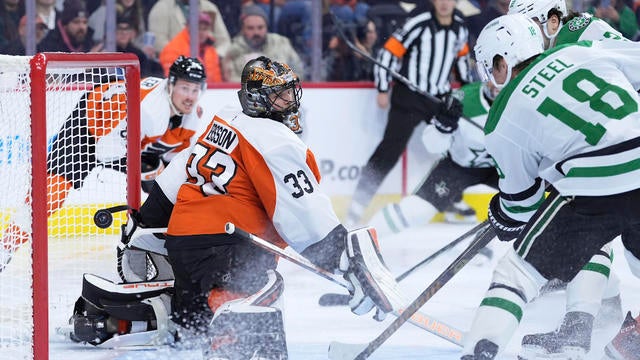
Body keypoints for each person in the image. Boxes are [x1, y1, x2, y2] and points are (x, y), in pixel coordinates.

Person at [67, 56, 404, 358]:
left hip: (183, 244)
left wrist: (147, 219)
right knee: (265, 285)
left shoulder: (224, 119)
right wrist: (343, 261)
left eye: (290, 92)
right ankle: (230, 341)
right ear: (259, 99)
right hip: (225, 241)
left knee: (191, 323)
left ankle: (114, 320)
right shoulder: (275, 139)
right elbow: (303, 211)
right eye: (280, 95)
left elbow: (178, 171)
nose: (289, 101)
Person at [461, 13, 640, 359]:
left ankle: (479, 351)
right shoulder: (583, 50)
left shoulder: (501, 118)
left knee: (516, 274)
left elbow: (521, 204)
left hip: (595, 184)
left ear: (500, 63)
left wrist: (502, 215)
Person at [507, 1, 633, 358]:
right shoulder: (548, 54)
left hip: (624, 149)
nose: (524, 35)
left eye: (529, 22)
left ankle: (579, 329)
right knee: (592, 225)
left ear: (552, 18)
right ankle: (607, 314)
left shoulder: (579, 34)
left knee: (589, 220)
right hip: (616, 150)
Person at [0, 56, 207, 272]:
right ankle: (5, 247)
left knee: (173, 187)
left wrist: (156, 171)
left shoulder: (190, 116)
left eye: (195, 90)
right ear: (171, 84)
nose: (190, 97)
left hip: (130, 139)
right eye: (185, 88)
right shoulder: (150, 111)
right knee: (51, 193)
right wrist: (148, 169)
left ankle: (172, 245)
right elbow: (106, 151)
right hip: (90, 127)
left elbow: (175, 164)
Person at [344, 0, 470, 227]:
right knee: (388, 152)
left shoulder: (460, 28)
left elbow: (461, 63)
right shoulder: (418, 23)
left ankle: (452, 199)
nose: (444, 3)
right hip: (409, 97)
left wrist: (468, 92)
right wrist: (382, 88)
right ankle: (357, 205)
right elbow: (388, 53)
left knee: (453, 148)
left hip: (437, 100)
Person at [367, 81, 499, 238]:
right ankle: (361, 239)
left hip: (506, 168)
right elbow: (433, 146)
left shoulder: (525, 101)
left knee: (532, 203)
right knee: (418, 210)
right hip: (459, 166)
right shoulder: (462, 99)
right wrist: (442, 128)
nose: (497, 83)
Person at [222, 5, 304, 82]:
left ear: (266, 27)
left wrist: (279, 84)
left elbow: (299, 72)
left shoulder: (281, 43)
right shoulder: (233, 49)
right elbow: (230, 81)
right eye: (250, 28)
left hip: (281, 92)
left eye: (260, 27)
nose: (256, 32)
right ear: (242, 30)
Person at [147, 0, 231, 57]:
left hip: (209, 67)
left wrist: (211, 57)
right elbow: (158, 43)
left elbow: (224, 41)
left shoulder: (210, 7)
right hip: (175, 66)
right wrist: (186, 59)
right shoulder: (161, 8)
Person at [159, 12, 223, 84]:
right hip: (184, 92)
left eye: (205, 29)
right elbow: (172, 81)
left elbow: (217, 81)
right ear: (188, 27)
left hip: (208, 92)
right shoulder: (173, 48)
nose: (201, 32)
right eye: (198, 28)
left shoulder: (211, 51)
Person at [37, 0, 103, 53]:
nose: (81, 27)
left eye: (85, 22)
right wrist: (87, 63)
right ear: (65, 25)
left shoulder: (90, 43)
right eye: (76, 22)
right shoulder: (49, 46)